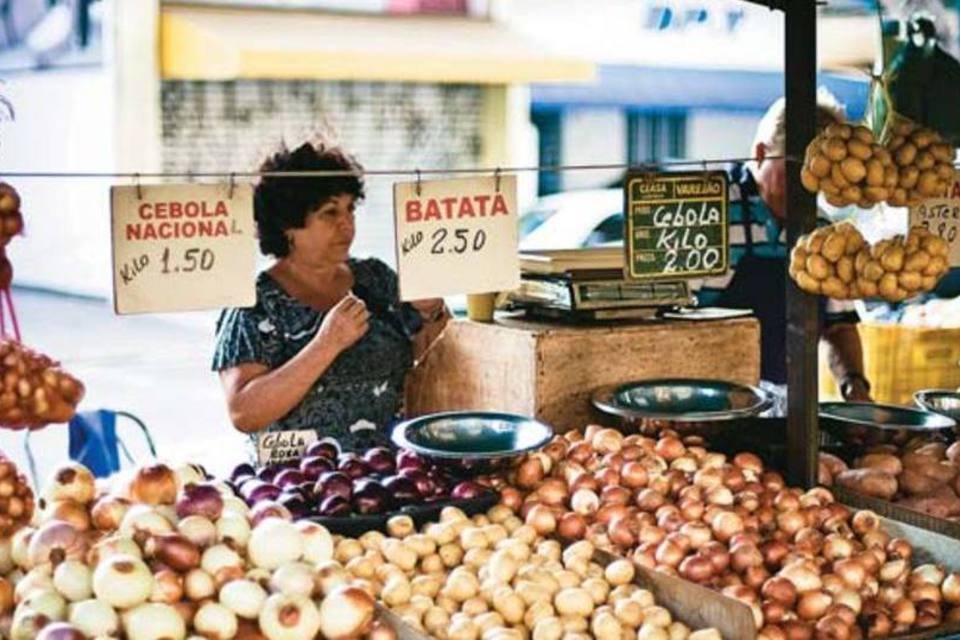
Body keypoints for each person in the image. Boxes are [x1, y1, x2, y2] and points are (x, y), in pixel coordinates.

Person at [212, 139, 450, 454]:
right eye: (329, 212)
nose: (346, 223)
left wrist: (433, 312)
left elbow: (434, 362)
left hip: (393, 476)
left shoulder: (376, 279)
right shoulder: (254, 304)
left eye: (350, 208)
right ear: (288, 225)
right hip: (297, 483)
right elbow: (243, 412)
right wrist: (326, 344)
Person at [692, 92, 873, 407]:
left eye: (820, 178)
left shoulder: (822, 231)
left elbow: (839, 324)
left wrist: (853, 385)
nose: (807, 189)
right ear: (761, 153)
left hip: (788, 407)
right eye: (796, 173)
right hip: (709, 405)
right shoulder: (708, 211)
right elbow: (665, 321)